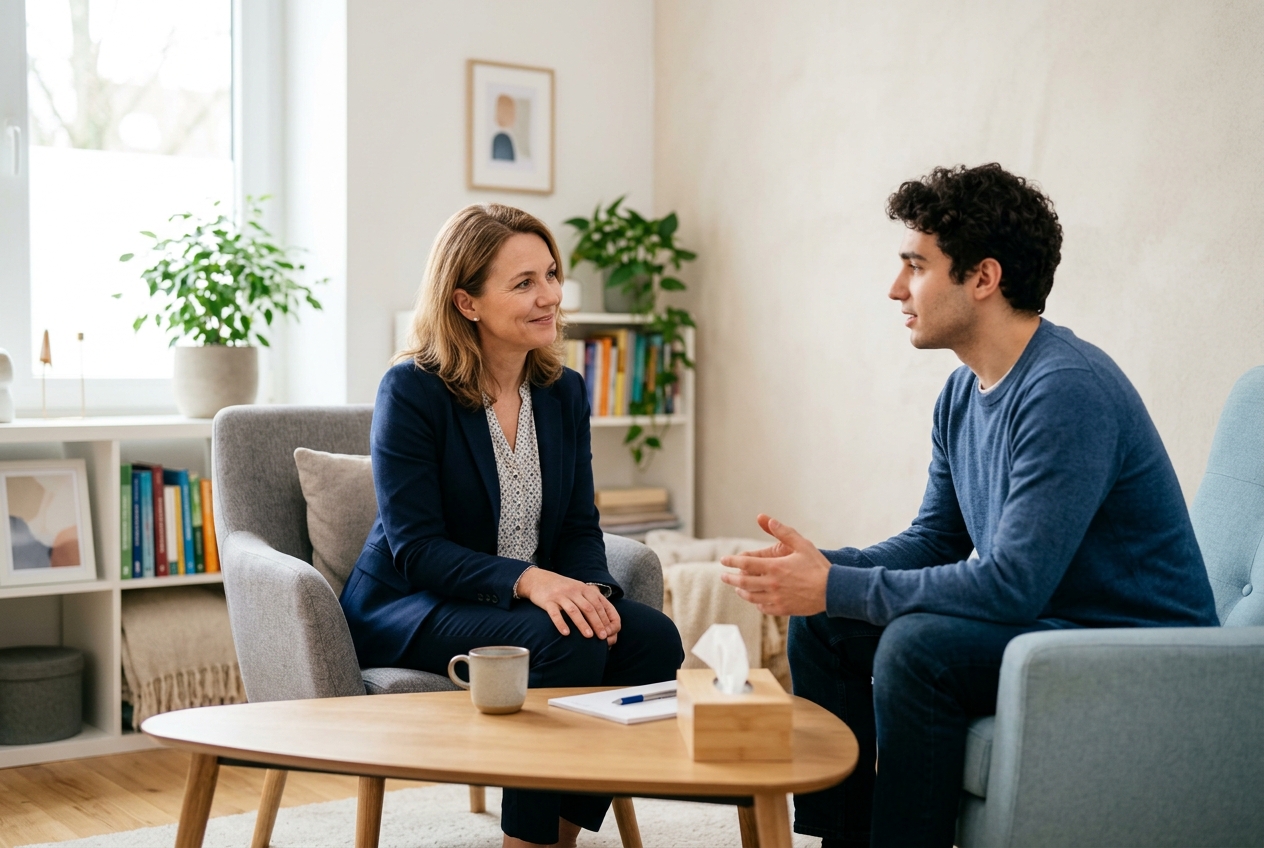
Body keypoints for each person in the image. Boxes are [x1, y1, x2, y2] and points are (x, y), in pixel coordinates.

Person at [719, 163, 1218, 847]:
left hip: (1136, 651)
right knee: (825, 624)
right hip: (1055, 623)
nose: (896, 289)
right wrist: (817, 572)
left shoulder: (1066, 390)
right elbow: (935, 540)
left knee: (918, 647)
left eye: (916, 267)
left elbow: (1013, 583)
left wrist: (837, 583)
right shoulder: (962, 394)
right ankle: (842, 837)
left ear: (982, 278)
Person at [340, 203, 684, 848]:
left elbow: (580, 523)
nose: (550, 296)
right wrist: (533, 583)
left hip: (519, 602)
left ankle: (557, 832)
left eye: (551, 275)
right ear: (466, 302)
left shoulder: (563, 390)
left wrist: (593, 596)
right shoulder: (412, 389)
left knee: (650, 640)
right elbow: (416, 548)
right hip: (417, 604)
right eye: (523, 283)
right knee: (561, 643)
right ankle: (524, 843)